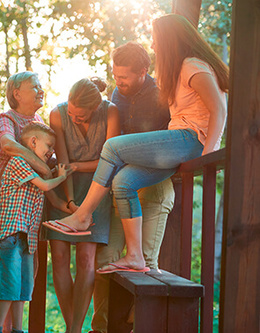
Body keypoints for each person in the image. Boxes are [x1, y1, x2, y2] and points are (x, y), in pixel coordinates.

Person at [43, 13, 228, 276]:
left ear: (169, 40)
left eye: (156, 40)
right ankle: (135, 256)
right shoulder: (177, 71)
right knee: (123, 182)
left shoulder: (192, 65)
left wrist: (208, 156)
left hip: (190, 140)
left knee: (113, 147)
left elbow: (219, 109)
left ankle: (82, 215)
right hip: (177, 143)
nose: (153, 46)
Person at [90, 41, 176, 333]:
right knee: (105, 260)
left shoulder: (164, 94)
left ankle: (139, 327)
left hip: (153, 188)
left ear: (143, 71)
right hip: (121, 190)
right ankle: (99, 329)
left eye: (124, 77)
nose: (119, 82)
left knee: (147, 266)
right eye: (116, 76)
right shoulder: (117, 94)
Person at [0, 71, 54, 332]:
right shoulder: (7, 118)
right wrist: (42, 166)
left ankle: (11, 327)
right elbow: (8, 144)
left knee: (22, 257)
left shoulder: (39, 121)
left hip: (27, 196)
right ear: (16, 93)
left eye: (40, 86)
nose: (41, 90)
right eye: (34, 86)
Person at [43, 77, 120, 333]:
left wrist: (79, 171)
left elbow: (111, 159)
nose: (74, 119)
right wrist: (71, 202)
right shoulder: (57, 114)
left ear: (95, 108)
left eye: (81, 116)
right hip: (66, 187)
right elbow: (63, 161)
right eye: (71, 114)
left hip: (98, 188)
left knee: (87, 260)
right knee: (60, 257)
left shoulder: (110, 112)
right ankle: (72, 328)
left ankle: (75, 327)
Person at [0, 122, 75, 333]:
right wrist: (62, 176)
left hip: (28, 238)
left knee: (24, 289)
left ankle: (18, 329)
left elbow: (53, 199)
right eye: (49, 145)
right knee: (9, 287)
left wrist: (77, 211)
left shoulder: (36, 170)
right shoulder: (18, 162)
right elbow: (45, 186)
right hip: (9, 235)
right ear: (33, 142)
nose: (52, 151)